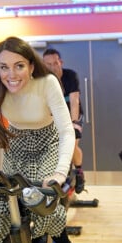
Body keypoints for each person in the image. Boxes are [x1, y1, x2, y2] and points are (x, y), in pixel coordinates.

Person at [0, 36, 76, 243]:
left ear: (31, 66)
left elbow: (66, 131)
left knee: (41, 202)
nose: (11, 74)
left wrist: (59, 173)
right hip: (16, 145)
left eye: (19, 66)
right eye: (4, 67)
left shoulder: (47, 83)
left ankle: (62, 240)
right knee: (4, 209)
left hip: (48, 143)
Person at [43, 48, 85, 193]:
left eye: (55, 63)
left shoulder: (70, 76)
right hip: (55, 116)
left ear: (61, 62)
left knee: (71, 144)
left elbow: (74, 101)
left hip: (72, 114)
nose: (52, 67)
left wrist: (73, 122)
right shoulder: (43, 80)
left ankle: (79, 172)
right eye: (48, 64)